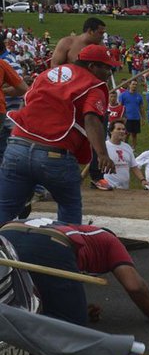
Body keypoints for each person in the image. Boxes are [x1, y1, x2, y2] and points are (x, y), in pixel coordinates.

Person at [0, 45, 117, 225]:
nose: (110, 72)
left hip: (17, 146)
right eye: (107, 67)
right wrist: (102, 154)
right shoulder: (93, 86)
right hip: (54, 154)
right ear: (93, 66)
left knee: (5, 207)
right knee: (69, 206)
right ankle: (67, 249)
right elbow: (92, 119)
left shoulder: (47, 74)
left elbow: (28, 99)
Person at [0, 218, 149, 326]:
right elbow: (134, 286)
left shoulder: (78, 231)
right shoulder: (111, 241)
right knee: (73, 326)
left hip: (8, 232)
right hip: (51, 244)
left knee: (9, 290)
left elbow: (44, 280)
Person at [105, 121, 143, 190]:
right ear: (111, 131)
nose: (122, 131)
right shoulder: (104, 146)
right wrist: (82, 176)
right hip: (109, 188)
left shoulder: (127, 147)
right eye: (118, 129)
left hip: (125, 189)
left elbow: (134, 166)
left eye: (123, 129)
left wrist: (143, 180)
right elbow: (92, 163)